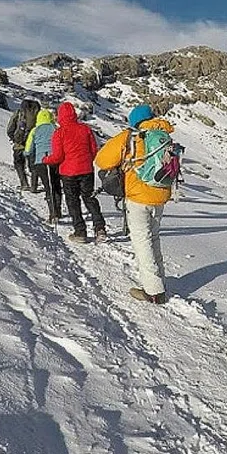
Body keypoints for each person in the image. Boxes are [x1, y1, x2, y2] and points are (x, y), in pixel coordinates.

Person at [95, 104, 174, 304]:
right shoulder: (162, 135)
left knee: (142, 243)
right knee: (154, 239)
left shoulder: (131, 136)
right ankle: (159, 281)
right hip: (160, 194)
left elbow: (102, 160)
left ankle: (153, 292)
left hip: (138, 197)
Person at [43, 102, 106, 243]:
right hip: (87, 170)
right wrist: (87, 161)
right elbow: (94, 150)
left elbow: (58, 156)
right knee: (89, 198)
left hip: (68, 172)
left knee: (73, 201)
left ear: (60, 116)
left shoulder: (59, 133)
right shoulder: (85, 129)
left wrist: (47, 159)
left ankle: (80, 232)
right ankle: (100, 228)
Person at [25, 108, 62, 224]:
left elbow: (28, 149)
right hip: (55, 160)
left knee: (48, 186)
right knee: (56, 185)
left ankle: (52, 213)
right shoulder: (55, 128)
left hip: (41, 161)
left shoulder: (35, 130)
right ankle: (58, 209)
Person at [6, 98, 40, 190]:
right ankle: (34, 186)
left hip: (19, 143)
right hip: (34, 143)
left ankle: (24, 184)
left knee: (19, 163)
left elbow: (10, 128)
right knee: (33, 165)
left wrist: (14, 139)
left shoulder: (19, 112)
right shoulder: (38, 113)